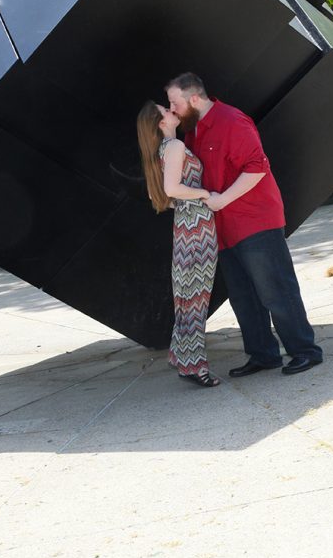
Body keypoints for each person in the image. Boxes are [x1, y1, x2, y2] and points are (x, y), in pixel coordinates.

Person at [165, 73, 322, 377]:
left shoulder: (232, 121)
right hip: (222, 226)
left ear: (194, 99)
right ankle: (264, 355)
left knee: (275, 288)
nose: (172, 109)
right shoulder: (193, 130)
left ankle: (305, 351)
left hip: (254, 220)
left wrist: (223, 199)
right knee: (243, 296)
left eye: (175, 103)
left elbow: (257, 168)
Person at [136, 100, 220, 388]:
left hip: (185, 225)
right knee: (196, 297)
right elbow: (172, 189)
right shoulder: (174, 147)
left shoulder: (162, 150)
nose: (173, 112)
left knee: (187, 296)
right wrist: (205, 194)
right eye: (166, 111)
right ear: (161, 123)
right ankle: (196, 366)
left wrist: (186, 203)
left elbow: (158, 194)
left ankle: (186, 360)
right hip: (197, 227)